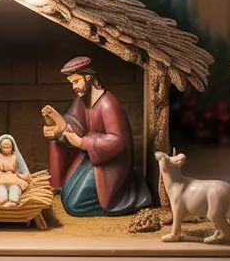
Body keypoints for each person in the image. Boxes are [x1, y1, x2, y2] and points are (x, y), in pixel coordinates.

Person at [42, 56, 151, 216]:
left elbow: (117, 140)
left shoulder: (107, 104)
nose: (74, 87)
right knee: (66, 194)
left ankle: (123, 199)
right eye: (72, 83)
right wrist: (59, 128)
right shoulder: (83, 99)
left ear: (88, 77)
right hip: (92, 156)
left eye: (76, 81)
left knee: (74, 206)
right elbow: (75, 122)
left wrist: (82, 142)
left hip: (111, 162)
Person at [0, 134, 30, 206]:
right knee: (0, 189)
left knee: (15, 188)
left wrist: (23, 176)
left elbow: (25, 171)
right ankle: (4, 202)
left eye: (9, 146)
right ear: (0, 147)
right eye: (4, 147)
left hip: (14, 179)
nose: (7, 148)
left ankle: (13, 202)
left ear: (12, 147)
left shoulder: (15, 157)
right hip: (0, 179)